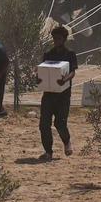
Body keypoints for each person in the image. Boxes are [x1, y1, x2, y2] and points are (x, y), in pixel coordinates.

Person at [38, 25, 77, 159]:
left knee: (60, 123)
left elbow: (72, 72)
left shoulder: (70, 54)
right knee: (44, 124)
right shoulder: (48, 54)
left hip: (63, 96)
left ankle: (66, 142)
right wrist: (39, 79)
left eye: (59, 38)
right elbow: (43, 71)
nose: (56, 41)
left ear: (64, 39)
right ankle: (48, 151)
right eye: (54, 38)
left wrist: (64, 80)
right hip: (48, 94)